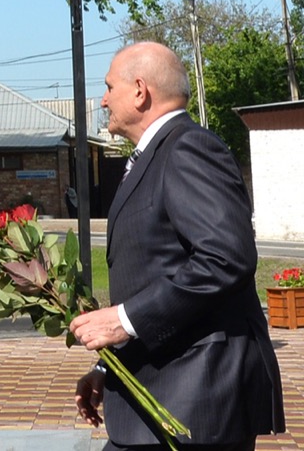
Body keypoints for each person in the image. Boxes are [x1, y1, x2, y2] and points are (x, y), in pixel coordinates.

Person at [68, 41, 285, 449]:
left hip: (197, 399)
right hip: (157, 398)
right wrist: (109, 366)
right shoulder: (155, 155)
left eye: (108, 87)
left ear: (139, 90)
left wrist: (123, 320)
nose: (102, 99)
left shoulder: (188, 147)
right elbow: (159, 272)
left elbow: (226, 257)